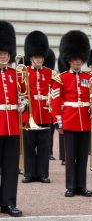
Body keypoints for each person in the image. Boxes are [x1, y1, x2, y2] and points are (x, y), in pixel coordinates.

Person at [51, 30, 92, 197]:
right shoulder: (61, 78)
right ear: (69, 60)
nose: (77, 61)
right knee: (70, 157)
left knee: (83, 157)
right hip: (69, 121)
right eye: (75, 59)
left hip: (84, 120)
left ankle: (81, 186)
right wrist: (58, 121)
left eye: (80, 59)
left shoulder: (88, 78)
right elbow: (56, 100)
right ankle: (70, 186)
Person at [0, 20, 26, 217]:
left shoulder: (14, 75)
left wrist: (23, 106)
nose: (3, 55)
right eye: (1, 53)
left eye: (5, 53)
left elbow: (23, 96)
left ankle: (8, 203)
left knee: (10, 168)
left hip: (12, 126)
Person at [22, 31, 55, 184]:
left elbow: (54, 94)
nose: (39, 60)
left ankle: (42, 173)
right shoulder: (23, 72)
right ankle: (29, 173)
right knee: (28, 146)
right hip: (30, 114)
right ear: (30, 57)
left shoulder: (49, 73)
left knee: (43, 147)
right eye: (36, 57)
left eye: (41, 57)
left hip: (45, 115)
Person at [43, 48, 56, 161]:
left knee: (49, 132)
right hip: (38, 108)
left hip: (49, 108)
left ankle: (49, 151)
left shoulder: (52, 74)